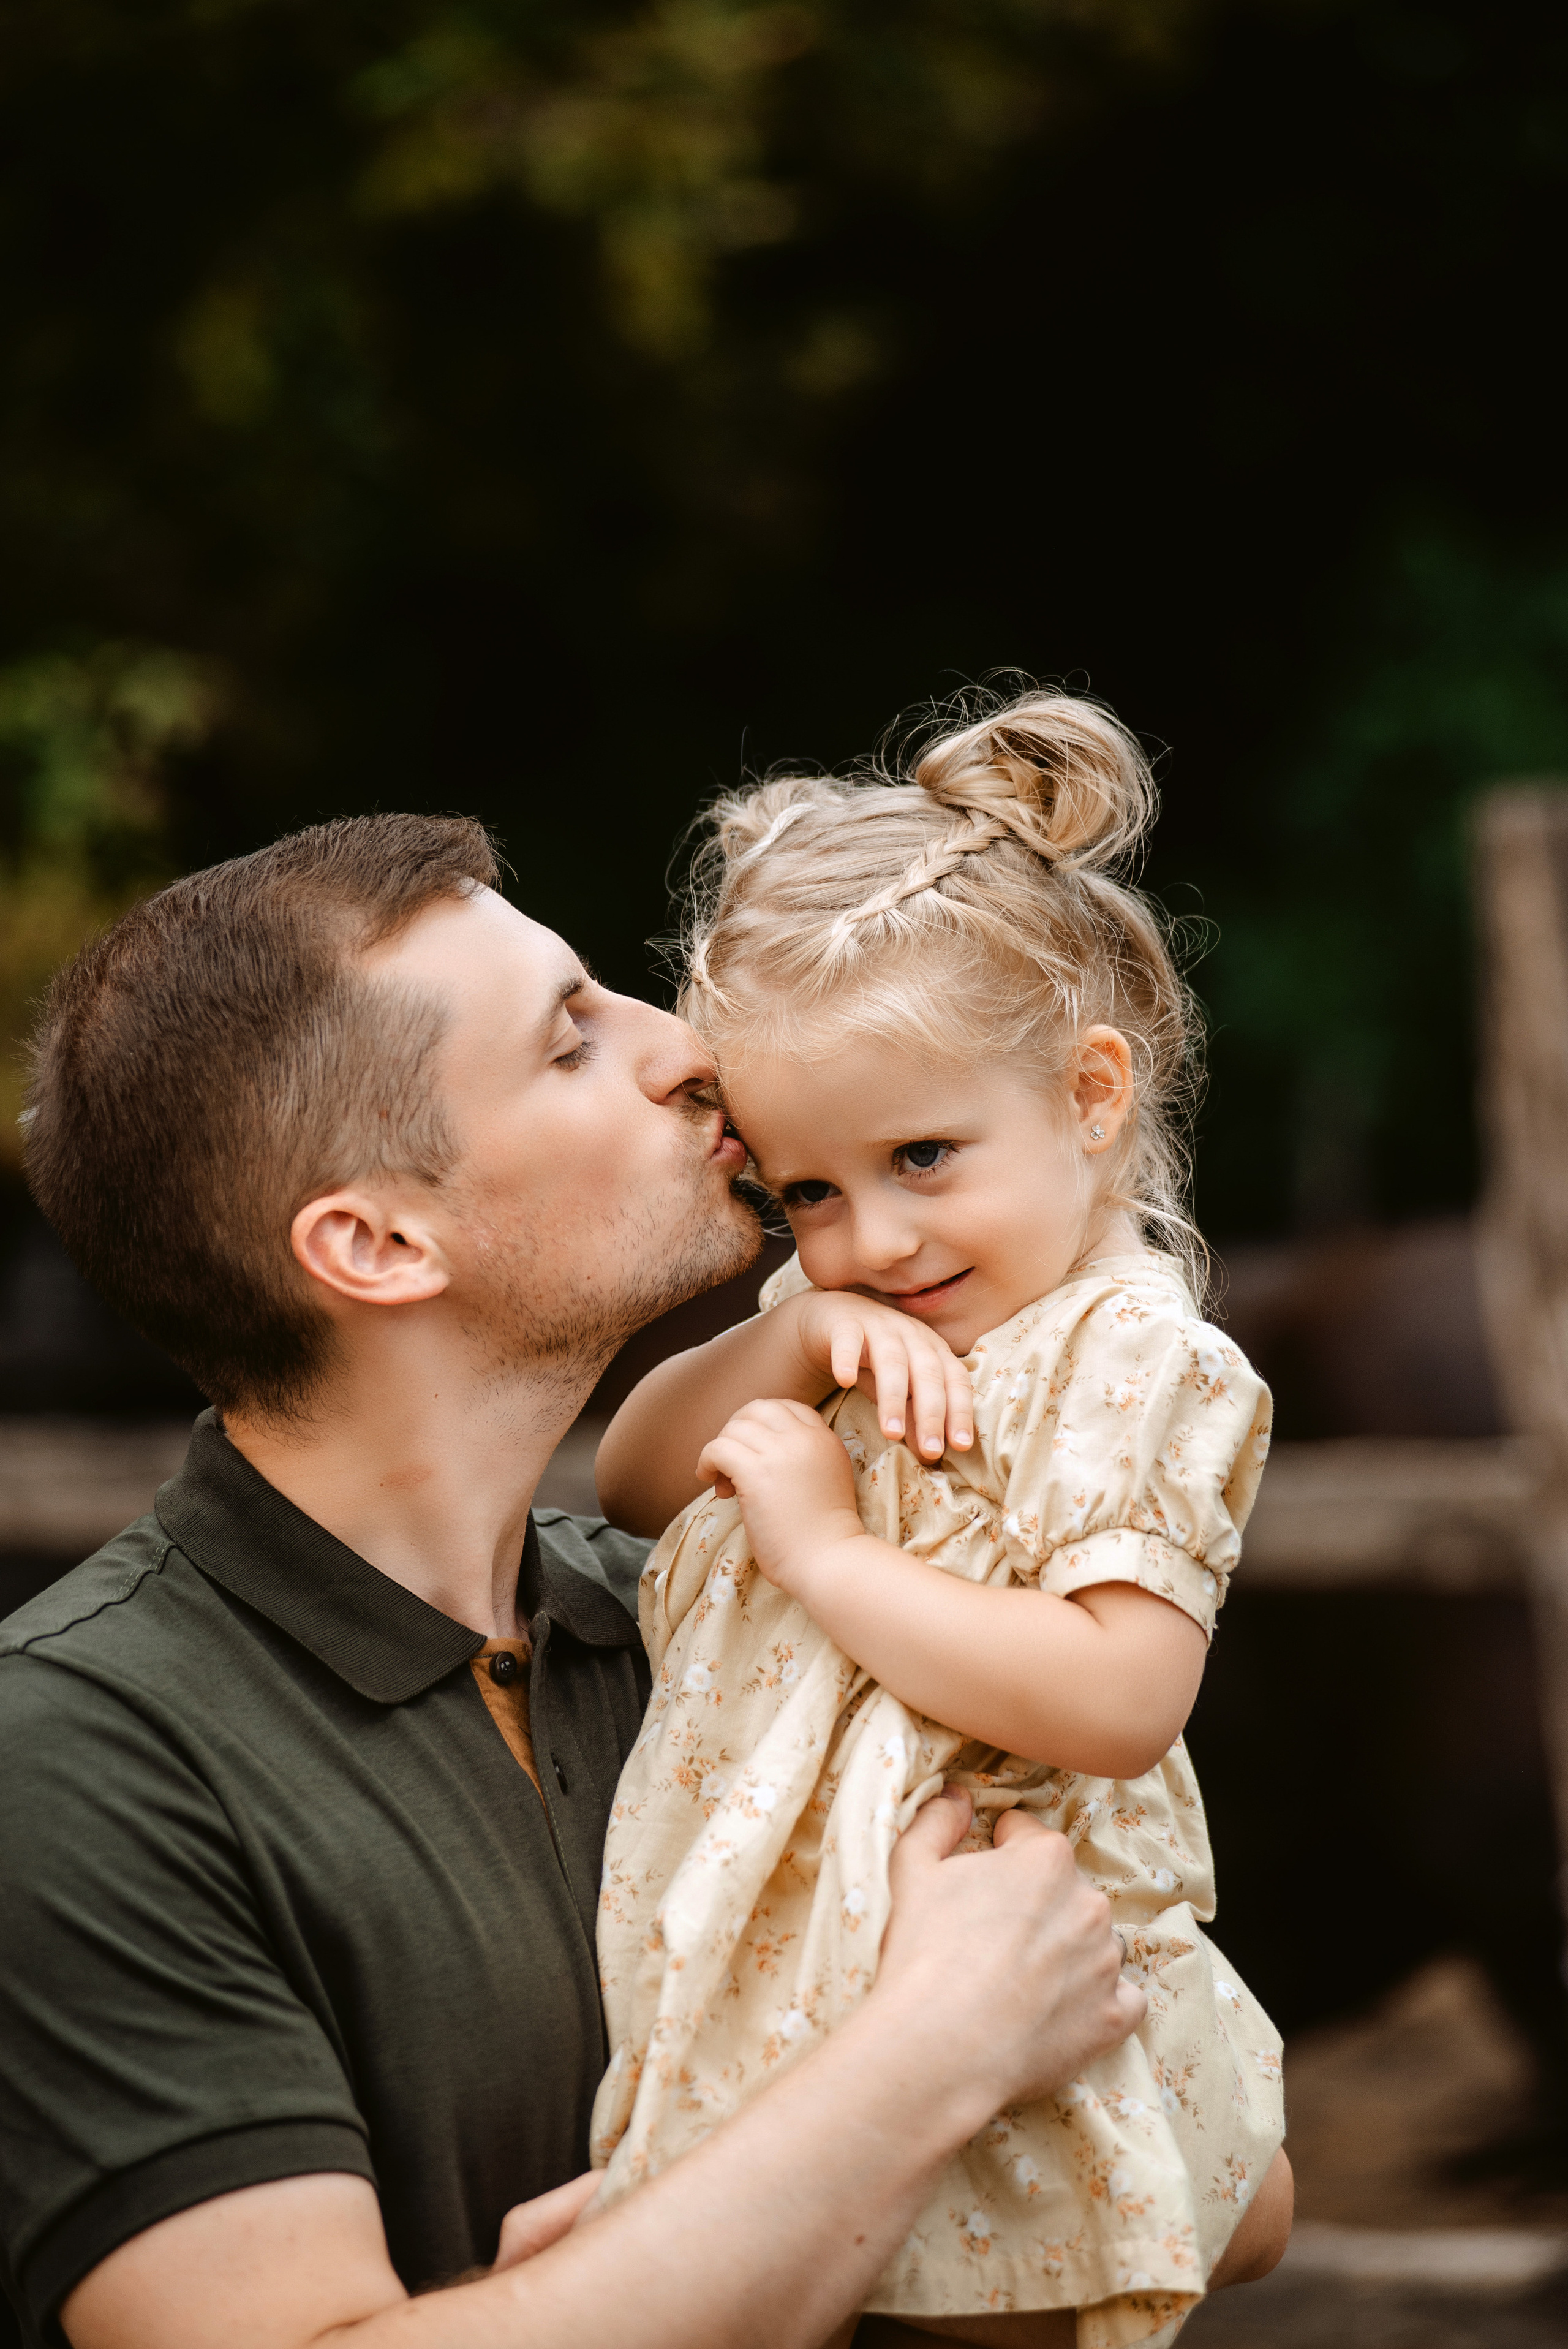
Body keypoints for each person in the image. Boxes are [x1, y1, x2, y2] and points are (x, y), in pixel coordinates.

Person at [0, 813, 1152, 2349]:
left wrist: (641, 2245)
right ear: (378, 1243)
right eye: (569, 1041)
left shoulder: (743, 1605)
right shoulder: (78, 1762)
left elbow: (1232, 2179)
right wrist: (930, 2059)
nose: (687, 1049)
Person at [589, 692, 1292, 2347]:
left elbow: (1119, 1700)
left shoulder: (1129, 1358)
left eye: (924, 1155)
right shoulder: (841, 1317)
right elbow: (629, 1483)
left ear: (1093, 1092)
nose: (877, 1239)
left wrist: (829, 1553)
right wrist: (791, 1335)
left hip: (1000, 1954)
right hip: (810, 1972)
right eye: (811, 1190)